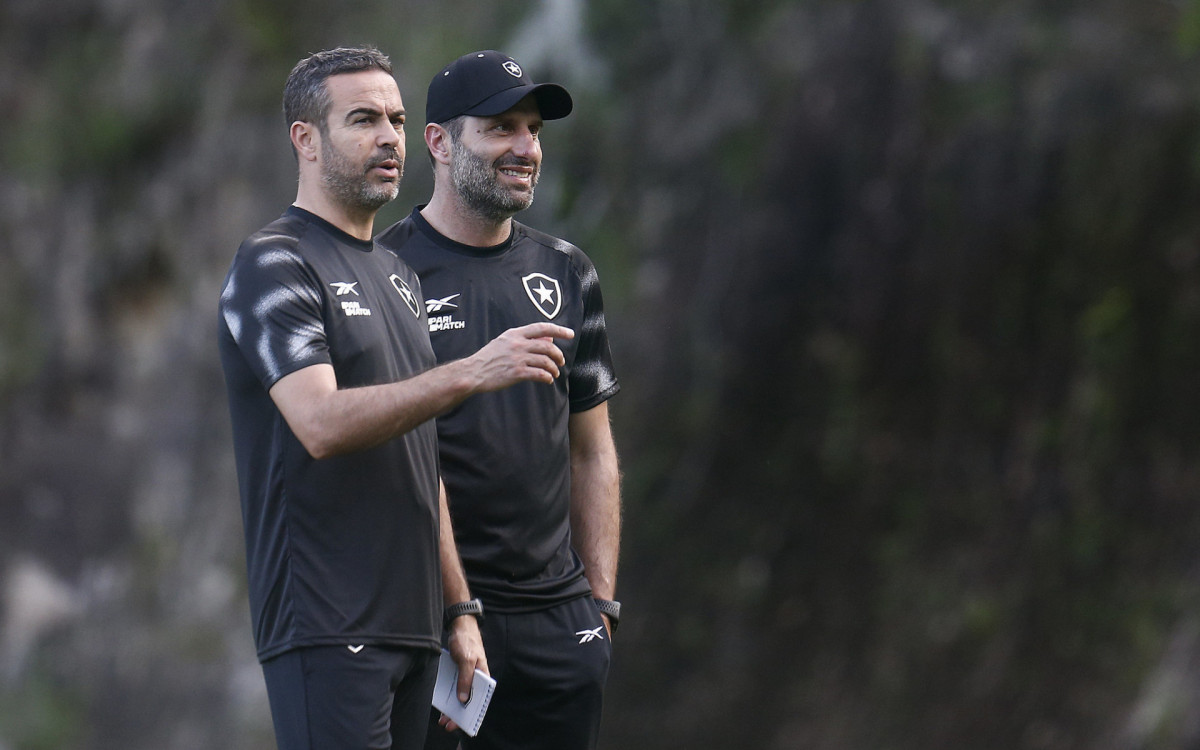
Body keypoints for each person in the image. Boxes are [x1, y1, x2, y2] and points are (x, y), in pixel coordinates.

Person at [217, 46, 574, 750]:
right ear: (306, 140)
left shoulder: (398, 274)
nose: (388, 137)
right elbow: (317, 422)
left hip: (416, 631)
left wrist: (460, 610)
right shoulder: (274, 262)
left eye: (398, 119)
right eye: (363, 120)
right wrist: (469, 372)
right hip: (327, 625)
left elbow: (422, 460)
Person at [377, 50, 622, 750]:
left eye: (534, 130)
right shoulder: (389, 273)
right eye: (501, 128)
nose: (525, 148)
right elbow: (398, 462)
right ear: (438, 142)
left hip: (560, 624)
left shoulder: (568, 270)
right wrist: (455, 611)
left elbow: (592, 445)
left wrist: (598, 604)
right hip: (437, 623)